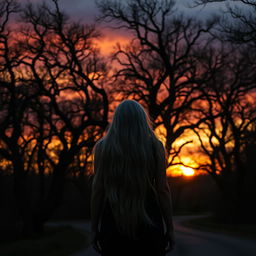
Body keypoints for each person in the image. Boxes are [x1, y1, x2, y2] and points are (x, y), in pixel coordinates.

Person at [90, 100, 175, 256]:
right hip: (150, 225)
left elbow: (98, 191)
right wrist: (170, 228)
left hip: (112, 227)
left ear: (117, 121)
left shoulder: (102, 147)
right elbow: (162, 189)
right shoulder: (156, 147)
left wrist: (94, 228)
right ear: (142, 120)